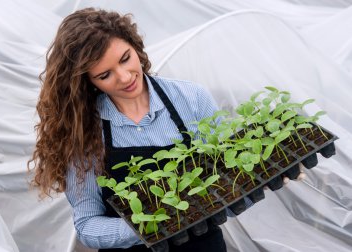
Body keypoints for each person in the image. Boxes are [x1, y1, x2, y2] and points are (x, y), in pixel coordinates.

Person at [28, 7, 305, 252]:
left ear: (135, 46)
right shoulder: (85, 131)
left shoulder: (191, 99)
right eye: (105, 74)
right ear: (88, 82)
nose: (124, 77)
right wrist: (147, 228)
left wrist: (264, 168)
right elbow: (89, 224)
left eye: (125, 58)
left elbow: (225, 176)